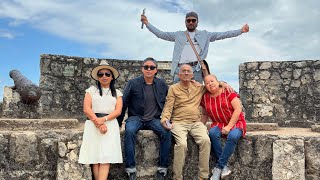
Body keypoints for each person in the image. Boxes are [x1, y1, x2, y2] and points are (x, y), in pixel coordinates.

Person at [141, 11, 249, 83]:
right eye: (188, 20)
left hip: (196, 69)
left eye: (193, 20)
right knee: (177, 93)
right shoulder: (178, 35)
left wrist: (240, 31)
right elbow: (161, 34)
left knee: (197, 95)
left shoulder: (205, 34)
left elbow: (223, 34)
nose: (191, 22)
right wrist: (147, 24)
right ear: (185, 22)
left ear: (197, 22)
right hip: (180, 68)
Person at [117, 57, 172, 180]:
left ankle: (162, 168)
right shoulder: (133, 83)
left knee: (166, 132)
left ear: (156, 70)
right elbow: (124, 102)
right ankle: (130, 169)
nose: (149, 69)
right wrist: (118, 123)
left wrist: (168, 120)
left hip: (154, 119)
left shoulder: (162, 84)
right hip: (136, 117)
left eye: (152, 67)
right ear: (142, 69)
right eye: (146, 67)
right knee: (129, 131)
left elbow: (170, 102)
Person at [161, 64, 210, 180]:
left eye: (189, 71)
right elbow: (168, 107)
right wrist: (165, 119)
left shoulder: (199, 88)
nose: (186, 73)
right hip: (178, 122)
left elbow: (212, 83)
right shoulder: (173, 88)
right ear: (179, 74)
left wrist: (224, 84)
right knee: (182, 144)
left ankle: (203, 176)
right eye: (183, 71)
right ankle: (177, 177)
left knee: (205, 141)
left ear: (193, 75)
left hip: (195, 123)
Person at [78, 61, 123, 180]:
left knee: (105, 157)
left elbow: (118, 111)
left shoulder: (117, 93)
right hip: (93, 124)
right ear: (97, 77)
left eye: (107, 74)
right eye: (101, 74)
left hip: (110, 125)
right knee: (95, 157)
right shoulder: (91, 90)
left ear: (112, 77)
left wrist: (103, 120)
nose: (104, 76)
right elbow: (87, 108)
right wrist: (98, 123)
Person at [200, 75, 247, 180]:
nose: (210, 84)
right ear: (205, 86)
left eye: (212, 81)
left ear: (218, 82)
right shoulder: (205, 97)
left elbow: (238, 109)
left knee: (233, 136)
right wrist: (200, 127)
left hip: (236, 122)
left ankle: (218, 167)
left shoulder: (228, 91)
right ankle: (224, 167)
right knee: (212, 133)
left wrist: (229, 127)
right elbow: (204, 115)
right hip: (218, 123)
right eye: (207, 83)